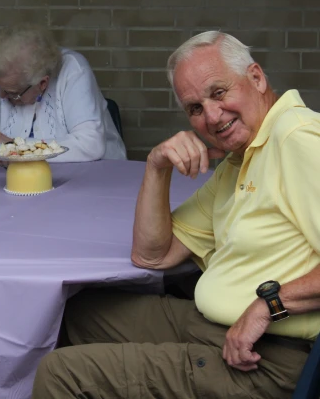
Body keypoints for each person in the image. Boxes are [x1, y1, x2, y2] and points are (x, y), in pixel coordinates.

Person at [33, 31, 320, 398]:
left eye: (219, 93)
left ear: (256, 77)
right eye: (195, 109)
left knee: (60, 374)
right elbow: (153, 254)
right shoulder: (242, 156)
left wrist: (269, 305)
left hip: (270, 358)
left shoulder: (297, 139)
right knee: (76, 315)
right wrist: (156, 167)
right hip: (216, 326)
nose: (212, 117)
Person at [0, 24, 126, 163]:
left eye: (12, 93)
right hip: (13, 181)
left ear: (42, 83)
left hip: (95, 176)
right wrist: (1, 150)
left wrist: (15, 147)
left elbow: (90, 144)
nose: (1, 96)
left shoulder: (73, 70)